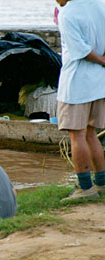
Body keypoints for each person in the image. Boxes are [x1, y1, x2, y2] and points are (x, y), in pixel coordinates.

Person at [55, 0, 105, 201]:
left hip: (76, 82)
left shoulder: (67, 14)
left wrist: (101, 59)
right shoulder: (100, 6)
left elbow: (81, 50)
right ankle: (101, 183)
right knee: (91, 134)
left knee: (77, 136)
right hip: (99, 82)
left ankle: (85, 187)